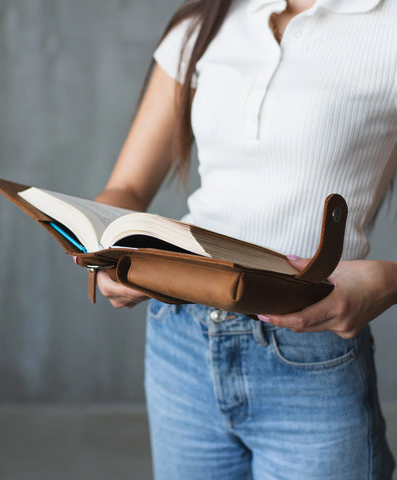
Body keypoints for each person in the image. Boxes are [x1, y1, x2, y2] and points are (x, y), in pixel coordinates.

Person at [79, 0, 397, 478]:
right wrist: (106, 245)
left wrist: (385, 283)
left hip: (309, 346)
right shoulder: (204, 20)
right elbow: (126, 187)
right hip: (178, 338)